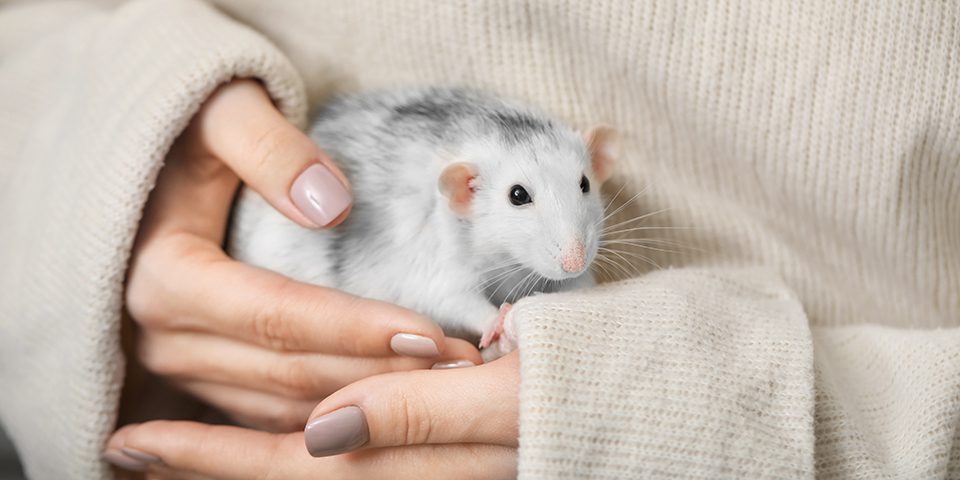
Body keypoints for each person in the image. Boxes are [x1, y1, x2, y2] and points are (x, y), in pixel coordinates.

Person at [1, 0, 958, 478]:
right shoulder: (448, 201)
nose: (574, 241)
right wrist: (113, 168)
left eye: (585, 191)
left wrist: (777, 429)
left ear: (600, 165)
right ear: (464, 192)